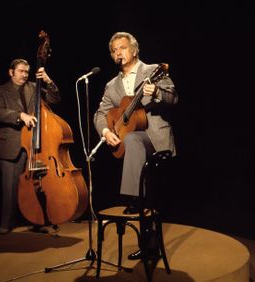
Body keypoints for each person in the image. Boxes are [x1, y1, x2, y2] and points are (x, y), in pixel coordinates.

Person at [93, 32, 178, 259]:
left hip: (155, 139)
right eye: (114, 50)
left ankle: (133, 199)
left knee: (132, 140)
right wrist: (105, 130)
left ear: (134, 50)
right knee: (130, 140)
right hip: (133, 145)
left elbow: (174, 98)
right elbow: (100, 114)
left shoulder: (153, 71)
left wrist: (157, 92)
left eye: (121, 48)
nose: (117, 53)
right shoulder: (111, 86)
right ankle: (147, 241)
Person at [0, 58, 60, 235]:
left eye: (26, 72)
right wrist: (20, 115)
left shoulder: (34, 87)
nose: (24, 75)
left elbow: (55, 98)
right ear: (11, 72)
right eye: (21, 71)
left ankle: (37, 220)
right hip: (11, 143)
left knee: (36, 184)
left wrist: (47, 80)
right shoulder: (0, 91)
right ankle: (6, 223)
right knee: (10, 187)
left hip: (33, 143)